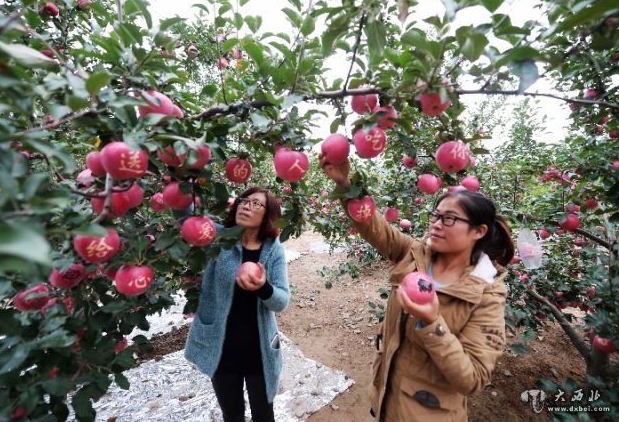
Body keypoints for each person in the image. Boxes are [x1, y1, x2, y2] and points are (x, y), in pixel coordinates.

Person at [319, 155, 514, 422]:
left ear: (478, 231)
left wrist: (433, 322)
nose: (436, 223)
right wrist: (345, 184)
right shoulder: (415, 254)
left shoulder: (487, 295)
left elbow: (473, 378)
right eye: (436, 215)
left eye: (449, 219)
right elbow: (374, 227)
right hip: (387, 397)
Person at [175, 187, 289, 422]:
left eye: (256, 204)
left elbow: (281, 301)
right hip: (221, 346)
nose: (246, 206)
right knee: (232, 414)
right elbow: (185, 217)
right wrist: (180, 179)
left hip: (259, 351)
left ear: (268, 215)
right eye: (244, 201)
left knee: (263, 415)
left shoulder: (273, 251)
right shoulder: (219, 238)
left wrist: (263, 287)